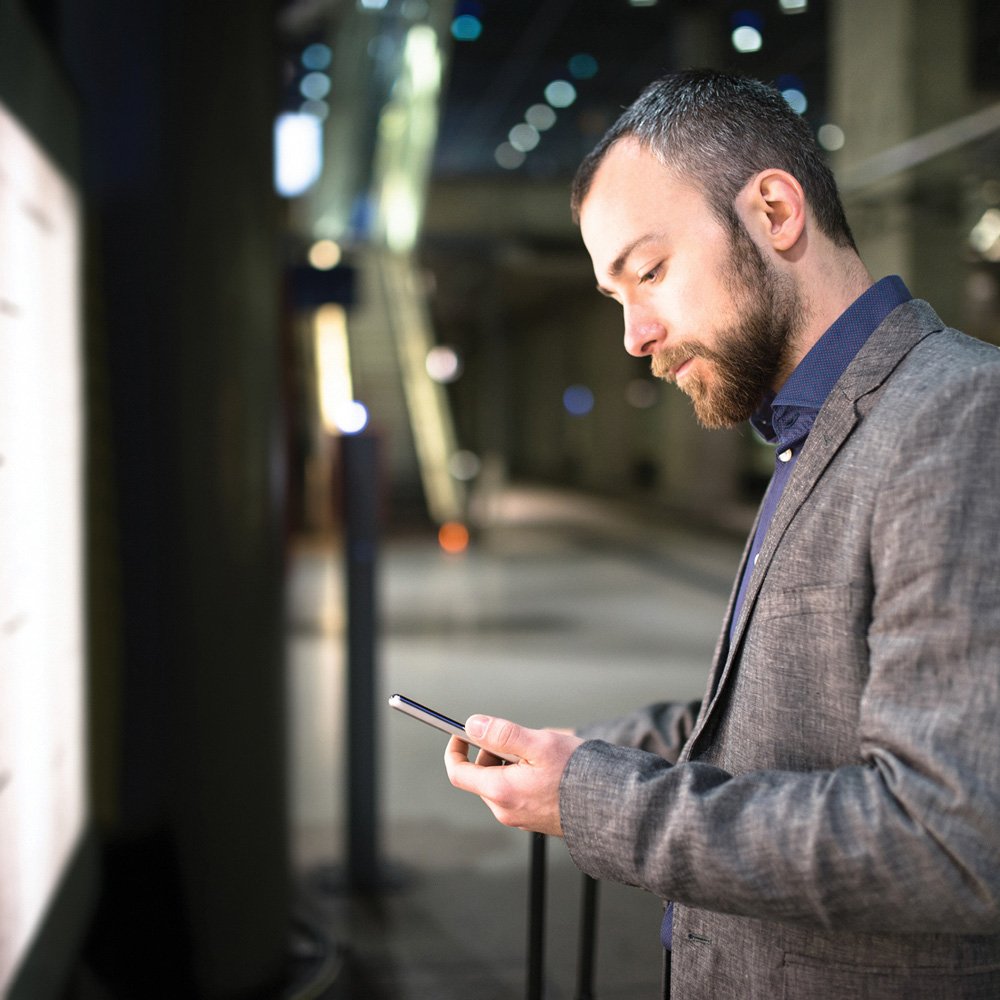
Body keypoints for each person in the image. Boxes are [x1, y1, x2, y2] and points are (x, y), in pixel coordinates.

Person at [444, 69, 1000, 999]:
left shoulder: (960, 415)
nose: (633, 334)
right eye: (613, 295)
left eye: (650, 272)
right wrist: (580, 754)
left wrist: (595, 800)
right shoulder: (815, 427)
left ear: (775, 211)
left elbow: (950, 838)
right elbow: (793, 721)